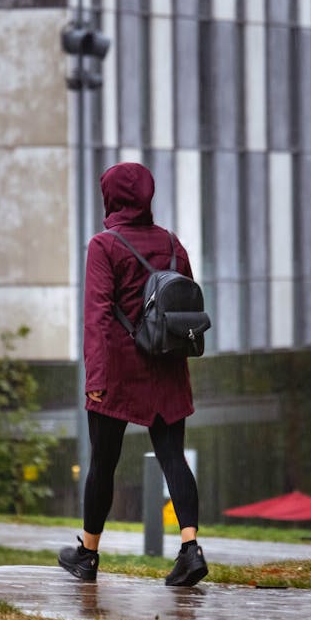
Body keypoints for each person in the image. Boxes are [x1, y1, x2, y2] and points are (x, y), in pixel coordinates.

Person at [58, 162, 208, 586]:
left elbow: (99, 317)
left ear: (111, 197)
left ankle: (87, 554)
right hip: (167, 366)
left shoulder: (104, 245)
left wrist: (96, 380)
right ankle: (190, 548)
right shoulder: (173, 242)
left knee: (103, 463)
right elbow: (186, 308)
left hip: (120, 371)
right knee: (173, 457)